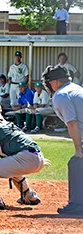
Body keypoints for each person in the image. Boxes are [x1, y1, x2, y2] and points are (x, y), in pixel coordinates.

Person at [42, 65, 83, 216]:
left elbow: (72, 123)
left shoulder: (61, 94)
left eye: (49, 81)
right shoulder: (75, 88)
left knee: (77, 163)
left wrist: (78, 148)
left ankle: (78, 205)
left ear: (56, 82)